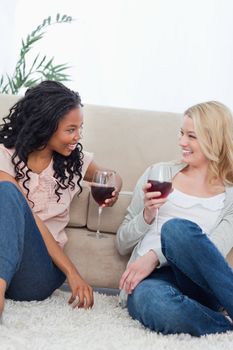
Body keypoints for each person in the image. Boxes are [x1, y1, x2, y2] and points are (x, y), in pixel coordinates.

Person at [0, 80, 122, 320]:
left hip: (37, 272)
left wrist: (113, 187)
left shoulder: (74, 161)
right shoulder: (5, 155)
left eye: (80, 128)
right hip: (5, 257)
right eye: (70, 129)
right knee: (8, 193)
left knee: (8, 193)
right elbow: (25, 214)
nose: (77, 136)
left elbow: (111, 176)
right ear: (45, 127)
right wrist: (73, 273)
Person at [116, 101, 233, 336]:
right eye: (181, 133)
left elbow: (215, 252)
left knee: (176, 230)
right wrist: (147, 216)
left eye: (191, 136)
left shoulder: (230, 195)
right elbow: (121, 243)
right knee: (153, 303)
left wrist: (154, 256)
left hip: (201, 283)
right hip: (152, 281)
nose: (181, 142)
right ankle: (223, 327)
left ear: (215, 140)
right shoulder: (157, 173)